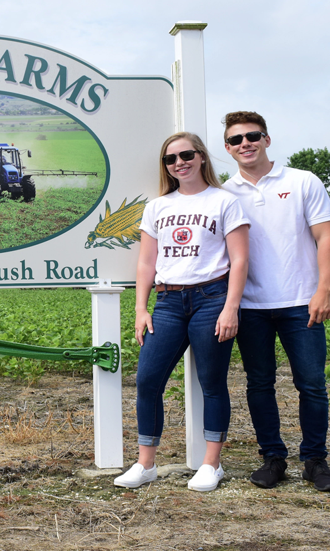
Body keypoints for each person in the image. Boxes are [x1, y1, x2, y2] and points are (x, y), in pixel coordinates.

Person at [114, 132, 250, 492]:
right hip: (169, 303)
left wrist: (230, 308)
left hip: (212, 299)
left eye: (186, 155)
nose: (179, 163)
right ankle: (146, 464)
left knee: (212, 382)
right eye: (170, 159)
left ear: (202, 157)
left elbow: (239, 260)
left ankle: (211, 464)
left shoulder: (225, 202)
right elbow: (146, 263)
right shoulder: (158, 207)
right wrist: (141, 309)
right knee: (147, 380)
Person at [221, 111, 330, 492]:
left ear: (267, 140)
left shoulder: (302, 181)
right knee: (259, 384)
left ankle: (315, 460)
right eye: (237, 139)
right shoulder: (225, 192)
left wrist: (323, 290)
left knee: (312, 384)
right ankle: (273, 457)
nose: (246, 143)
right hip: (251, 307)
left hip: (300, 304)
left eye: (253, 136)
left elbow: (326, 238)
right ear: (228, 148)